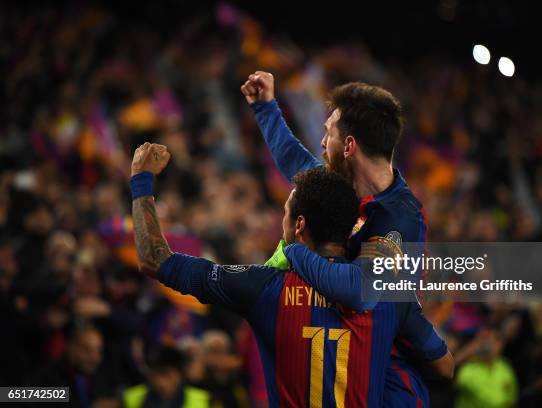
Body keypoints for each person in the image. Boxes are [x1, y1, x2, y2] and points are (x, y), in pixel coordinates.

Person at [130, 143, 448, 407]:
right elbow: (443, 367)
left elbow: (153, 260)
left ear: (298, 226)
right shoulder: (389, 294)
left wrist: (141, 180)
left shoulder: (264, 288)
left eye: (286, 213)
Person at [242, 72, 454, 405]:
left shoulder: (398, 218)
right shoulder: (344, 192)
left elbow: (359, 291)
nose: (323, 144)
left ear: (350, 145)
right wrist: (266, 107)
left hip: (389, 384)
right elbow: (296, 163)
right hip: (346, 366)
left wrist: (295, 251)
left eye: (328, 134)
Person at [123, 346, 210, 408]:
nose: (161, 383)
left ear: (180, 376)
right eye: (156, 375)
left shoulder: (202, 399)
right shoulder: (131, 397)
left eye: (168, 376)